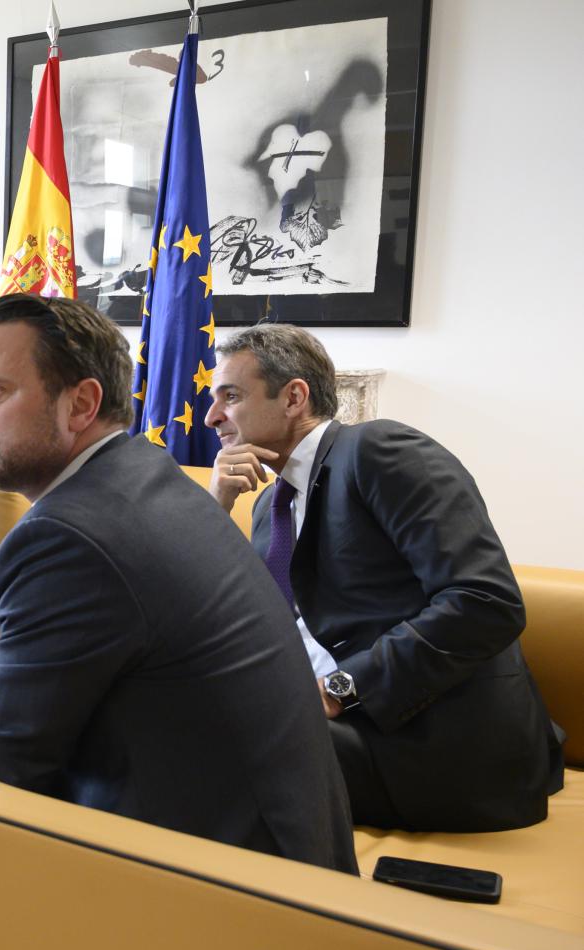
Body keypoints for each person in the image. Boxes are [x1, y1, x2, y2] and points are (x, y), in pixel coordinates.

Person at [0, 294, 357, 950]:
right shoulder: (150, 478)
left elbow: (2, 781)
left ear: (81, 405)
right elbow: (51, 704)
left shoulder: (64, 535)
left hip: (219, 896)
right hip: (285, 860)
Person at [204, 323, 564, 832]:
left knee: (208, 744)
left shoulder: (379, 451)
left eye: (231, 396)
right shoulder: (268, 504)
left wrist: (338, 690)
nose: (211, 416)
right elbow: (235, 622)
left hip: (431, 741)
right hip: (337, 724)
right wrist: (216, 509)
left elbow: (485, 601)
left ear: (293, 398)